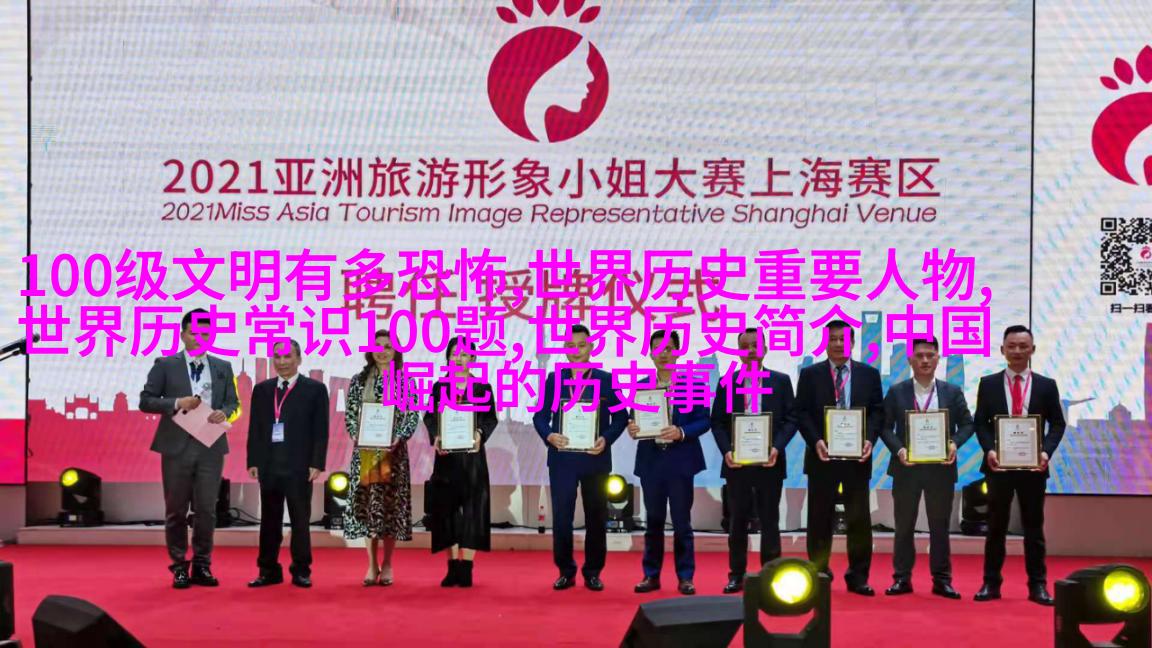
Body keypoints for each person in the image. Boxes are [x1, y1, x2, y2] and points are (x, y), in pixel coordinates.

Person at [140, 308, 239, 589]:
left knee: (207, 510)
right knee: (176, 510)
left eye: (206, 333)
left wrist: (224, 413)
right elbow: (146, 400)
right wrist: (176, 403)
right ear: (183, 335)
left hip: (210, 445)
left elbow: (232, 402)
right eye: (194, 333)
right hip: (176, 446)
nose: (200, 338)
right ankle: (179, 566)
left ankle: (202, 565)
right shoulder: (165, 364)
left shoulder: (222, 366)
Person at [973, 325, 1066, 606]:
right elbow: (980, 423)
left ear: (1032, 350)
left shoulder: (1046, 385)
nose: (1017, 351)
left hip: (1033, 468)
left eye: (1023, 346)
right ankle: (990, 583)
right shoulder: (988, 383)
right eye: (1011, 346)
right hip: (998, 467)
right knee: (995, 527)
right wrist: (989, 450)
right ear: (1002, 349)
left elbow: (1058, 423)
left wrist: (1045, 453)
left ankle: (1038, 585)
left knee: (1033, 528)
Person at [532, 324, 628, 591]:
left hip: (595, 459)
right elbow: (540, 417)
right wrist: (550, 435)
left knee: (596, 517)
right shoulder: (554, 380)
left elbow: (622, 417)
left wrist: (606, 439)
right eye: (570, 345)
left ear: (591, 347)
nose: (576, 350)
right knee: (562, 518)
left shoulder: (606, 380)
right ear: (564, 349)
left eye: (581, 345)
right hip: (562, 460)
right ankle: (566, 571)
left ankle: (593, 571)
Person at [878, 337, 973, 599]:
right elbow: (884, 427)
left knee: (939, 526)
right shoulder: (896, 392)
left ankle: (942, 580)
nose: (925, 360)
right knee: (904, 526)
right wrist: (899, 449)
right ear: (910, 360)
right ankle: (902, 579)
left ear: (938, 358)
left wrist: (954, 443)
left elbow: (968, 424)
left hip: (940, 469)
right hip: (906, 468)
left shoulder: (952, 391)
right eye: (919, 356)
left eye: (930, 355)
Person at [795, 319, 884, 596]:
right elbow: (801, 413)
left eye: (842, 339)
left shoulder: (869, 374)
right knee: (820, 519)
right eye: (832, 339)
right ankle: (819, 572)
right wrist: (816, 441)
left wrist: (869, 440)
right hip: (822, 458)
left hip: (857, 459)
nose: (837, 344)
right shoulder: (810, 374)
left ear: (852, 343)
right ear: (825, 343)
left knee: (859, 521)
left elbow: (877, 412)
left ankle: (858, 576)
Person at [710, 327, 798, 594]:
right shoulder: (727, 383)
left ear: (765, 349)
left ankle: (771, 575)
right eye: (744, 346)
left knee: (770, 520)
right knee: (737, 521)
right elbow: (718, 422)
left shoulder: (780, 381)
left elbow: (791, 419)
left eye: (755, 345)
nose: (750, 351)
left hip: (770, 463)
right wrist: (726, 451)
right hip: (737, 464)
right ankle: (736, 574)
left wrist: (776, 448)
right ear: (738, 352)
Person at [627, 330, 710, 596]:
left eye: (669, 348)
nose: (663, 354)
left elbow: (704, 420)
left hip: (680, 462)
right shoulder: (641, 386)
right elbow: (634, 419)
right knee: (653, 522)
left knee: (682, 523)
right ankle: (651, 575)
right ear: (650, 353)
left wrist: (682, 432)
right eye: (658, 349)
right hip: (651, 462)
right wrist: (633, 428)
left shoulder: (694, 385)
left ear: (678, 351)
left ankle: (685, 577)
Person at [246, 339, 329, 588]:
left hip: (299, 466)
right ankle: (268, 570)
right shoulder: (262, 390)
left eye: (287, 356)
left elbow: (321, 431)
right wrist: (253, 460)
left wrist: (317, 462)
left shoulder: (315, 389)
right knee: (269, 521)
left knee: (300, 521)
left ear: (299, 359)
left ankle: (301, 570)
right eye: (277, 357)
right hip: (269, 465)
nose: (282, 362)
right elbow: (255, 428)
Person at [343, 329, 421, 586]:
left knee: (390, 510)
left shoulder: (405, 381)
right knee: (368, 509)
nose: (383, 351)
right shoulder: (358, 380)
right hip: (366, 454)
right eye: (378, 346)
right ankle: (371, 564)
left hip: (393, 454)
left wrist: (399, 437)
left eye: (388, 346)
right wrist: (356, 434)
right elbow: (351, 415)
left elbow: (412, 415)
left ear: (396, 351)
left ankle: (387, 563)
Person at [423, 337, 499, 588]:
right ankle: (452, 567)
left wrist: (479, 434)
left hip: (472, 459)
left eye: (464, 354)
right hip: (446, 459)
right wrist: (436, 436)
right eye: (454, 353)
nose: (459, 358)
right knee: (447, 512)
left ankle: (466, 566)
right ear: (448, 357)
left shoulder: (482, 388)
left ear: (473, 359)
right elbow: (430, 417)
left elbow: (490, 418)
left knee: (473, 511)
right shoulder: (439, 387)